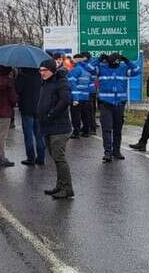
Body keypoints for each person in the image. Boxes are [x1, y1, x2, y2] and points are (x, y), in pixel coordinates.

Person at [88, 53, 141, 162]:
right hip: (105, 103)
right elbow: (89, 68)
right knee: (107, 129)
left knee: (117, 129)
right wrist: (98, 59)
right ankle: (107, 153)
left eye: (117, 63)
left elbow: (138, 70)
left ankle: (116, 151)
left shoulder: (124, 68)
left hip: (120, 103)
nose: (114, 65)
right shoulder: (101, 68)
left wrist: (127, 61)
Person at [37, 59, 74, 199]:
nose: (42, 73)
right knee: (55, 157)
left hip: (60, 127)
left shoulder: (61, 81)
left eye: (45, 70)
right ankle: (60, 185)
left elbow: (65, 100)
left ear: (52, 70)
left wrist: (51, 113)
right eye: (40, 70)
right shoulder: (45, 82)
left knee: (59, 157)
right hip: (48, 126)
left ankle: (67, 188)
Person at [16, 67, 45, 166]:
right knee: (39, 134)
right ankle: (41, 157)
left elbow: (18, 90)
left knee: (28, 134)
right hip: (38, 107)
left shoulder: (22, 76)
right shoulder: (40, 76)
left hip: (26, 107)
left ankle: (30, 157)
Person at [67, 53, 93, 138]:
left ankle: (76, 132)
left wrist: (75, 98)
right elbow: (91, 84)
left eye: (74, 59)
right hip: (86, 96)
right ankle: (86, 131)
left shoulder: (76, 69)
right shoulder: (88, 70)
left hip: (77, 96)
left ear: (77, 60)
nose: (72, 61)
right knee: (85, 115)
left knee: (76, 115)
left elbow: (72, 84)